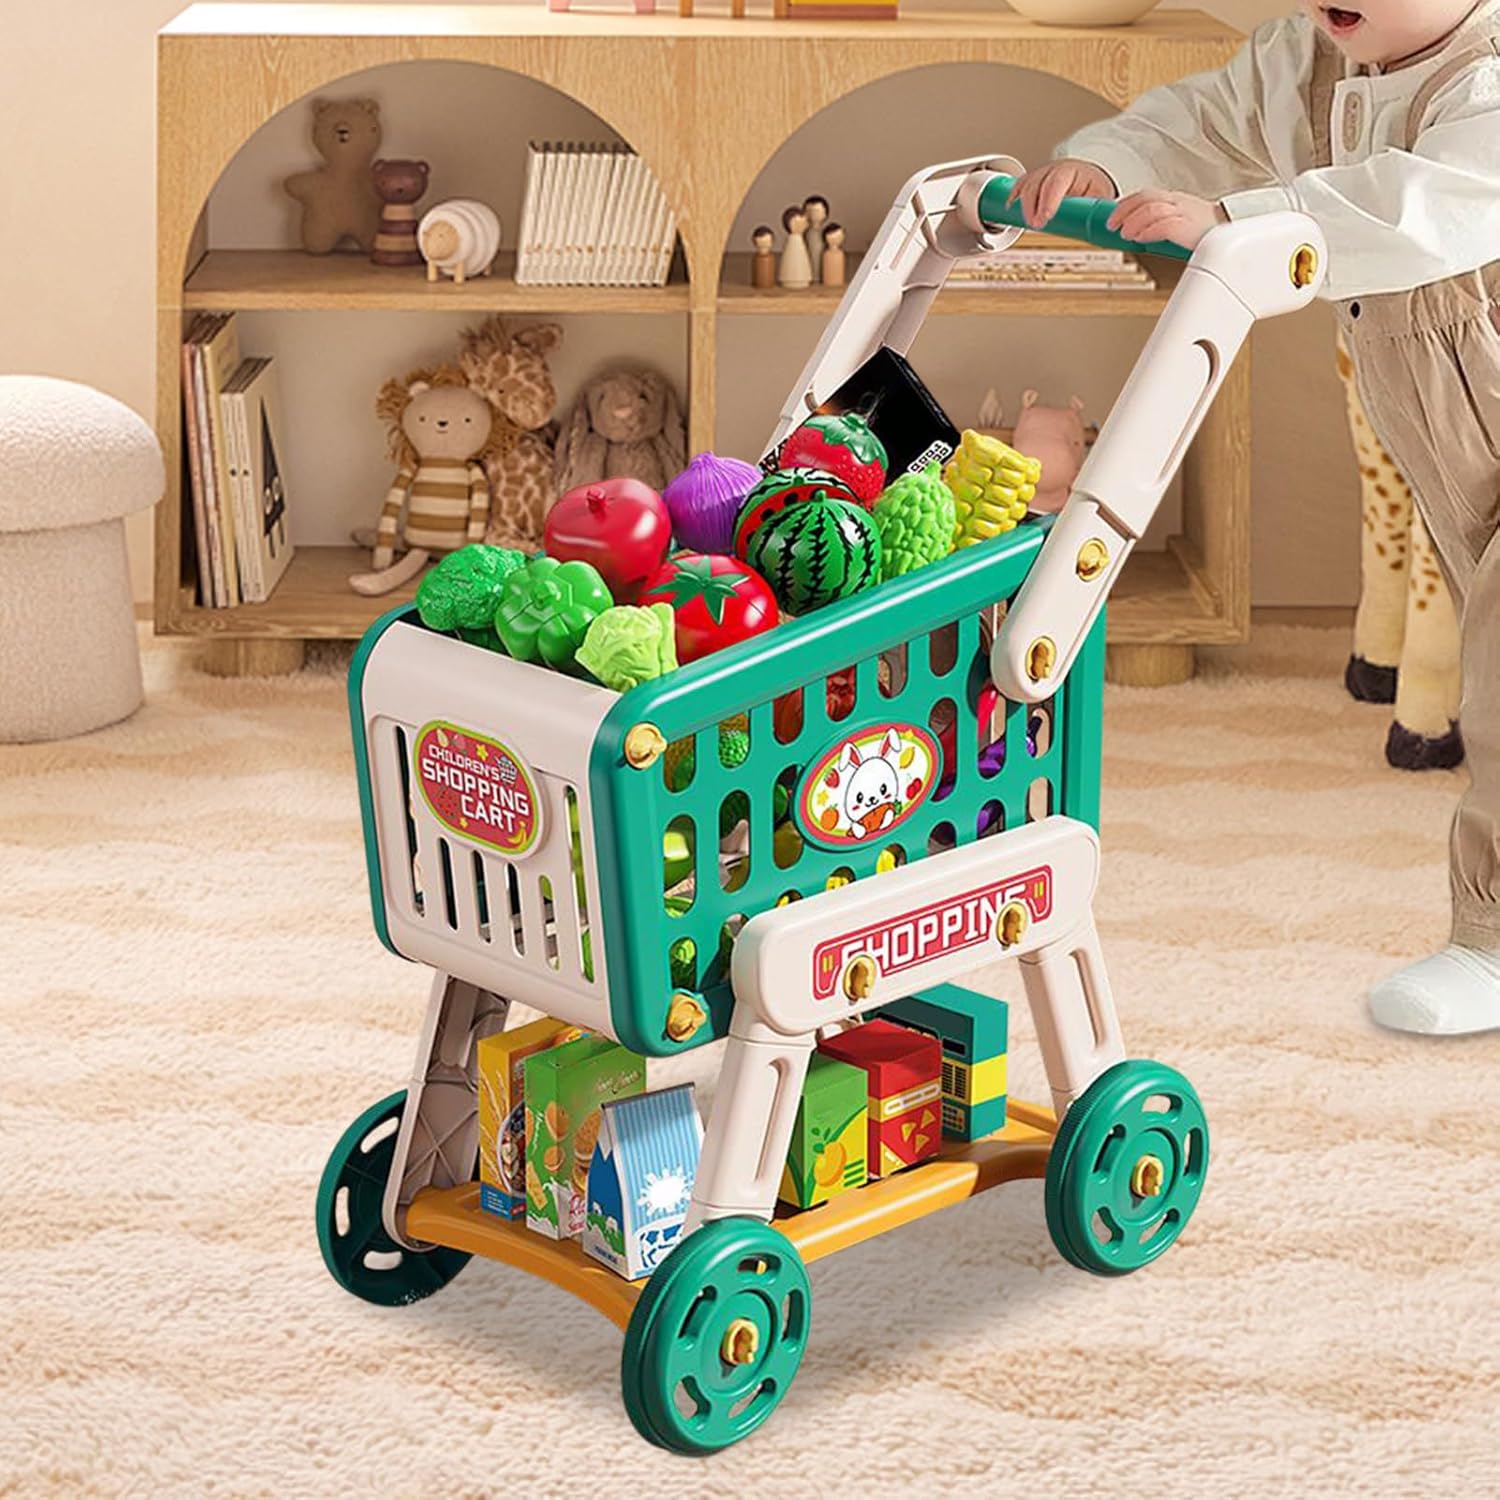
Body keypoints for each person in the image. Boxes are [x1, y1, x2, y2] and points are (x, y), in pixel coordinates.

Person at [1009, 1, 1500, 1036]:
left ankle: (1491, 941)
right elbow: (1201, 119)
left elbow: (1426, 205)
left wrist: (1246, 218)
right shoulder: (1306, 57)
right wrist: (1110, 166)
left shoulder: (1488, 74)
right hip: (1456, 445)